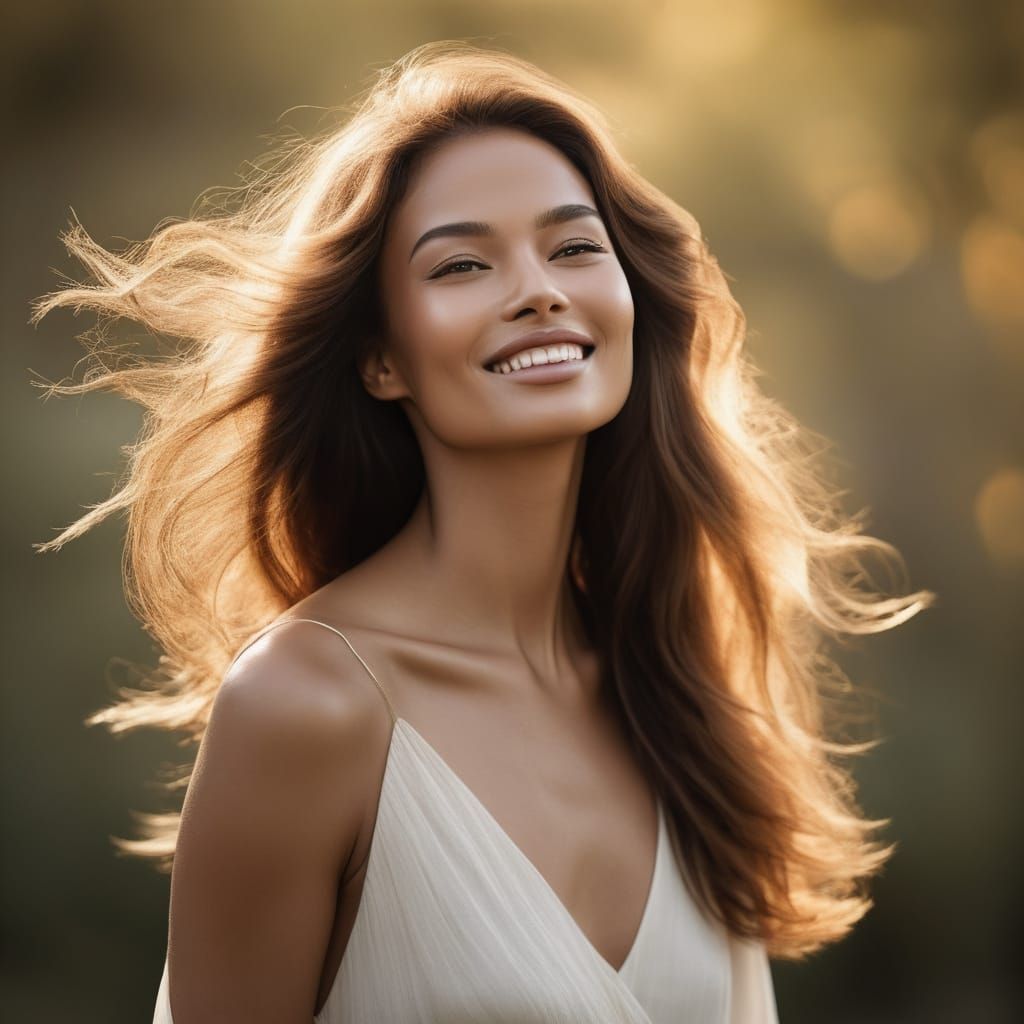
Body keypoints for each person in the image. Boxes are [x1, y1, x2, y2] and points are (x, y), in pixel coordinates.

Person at [32, 40, 932, 1024]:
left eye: (575, 247)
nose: (538, 289)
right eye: (463, 263)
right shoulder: (306, 707)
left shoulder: (672, 687)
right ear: (382, 359)